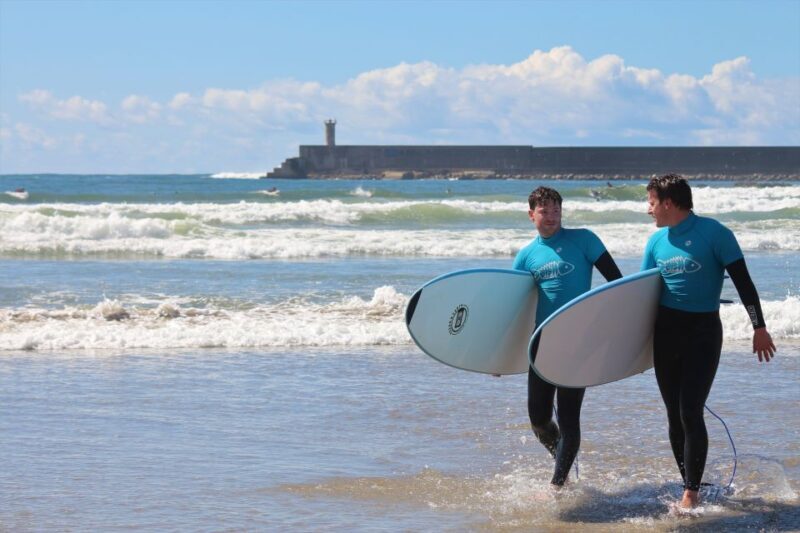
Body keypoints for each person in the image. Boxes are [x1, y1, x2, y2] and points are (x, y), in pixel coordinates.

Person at [642, 174, 776, 508]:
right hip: (666, 333)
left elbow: (744, 283)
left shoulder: (715, 233)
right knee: (674, 414)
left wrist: (759, 327)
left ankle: (691, 493)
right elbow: (641, 296)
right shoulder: (655, 243)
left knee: (690, 409)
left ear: (668, 203)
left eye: (652, 202)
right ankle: (689, 482)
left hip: (702, 332)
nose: (649, 210)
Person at [513, 186, 622, 487]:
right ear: (531, 214)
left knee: (569, 417)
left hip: (578, 341)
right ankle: (561, 456)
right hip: (543, 342)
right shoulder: (525, 257)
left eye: (556, 210)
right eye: (544, 211)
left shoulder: (584, 240)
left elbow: (618, 284)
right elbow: (516, 309)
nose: (551, 217)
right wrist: (500, 355)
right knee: (538, 419)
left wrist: (615, 330)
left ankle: (558, 485)